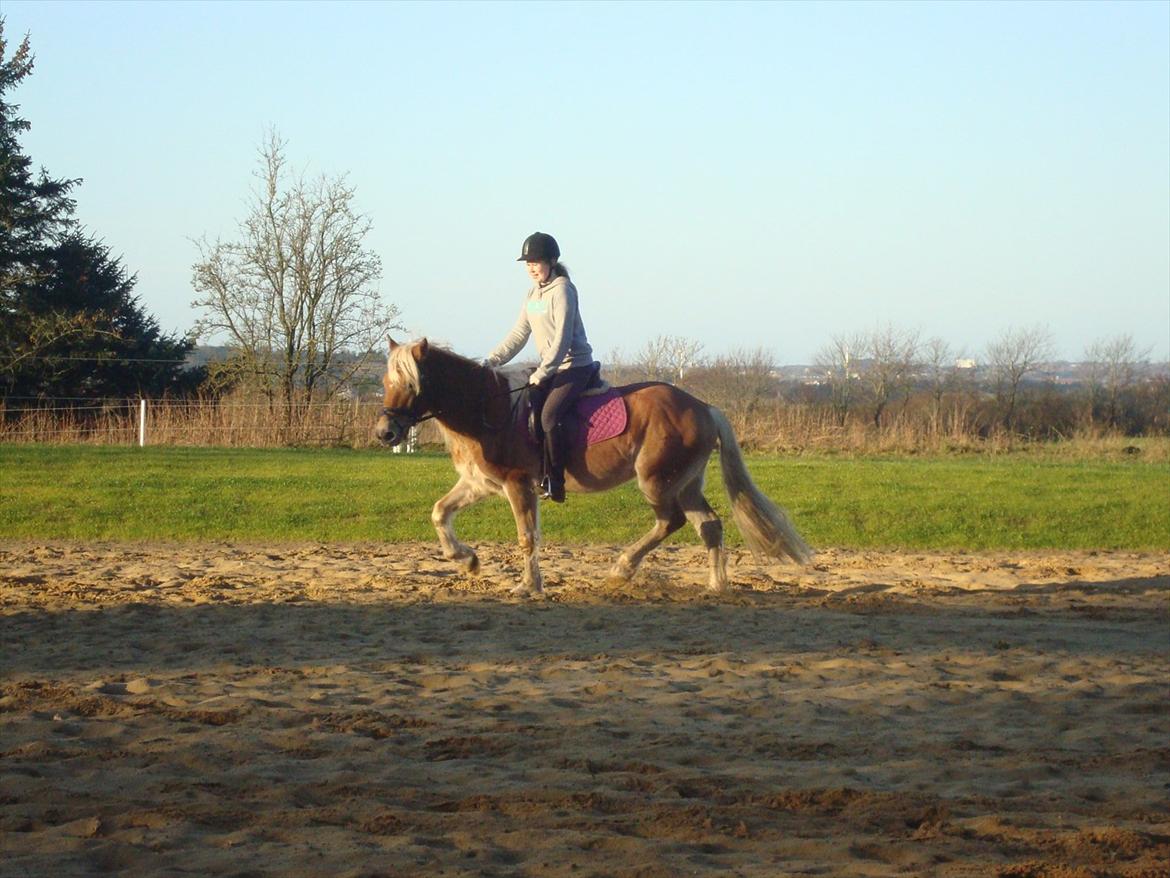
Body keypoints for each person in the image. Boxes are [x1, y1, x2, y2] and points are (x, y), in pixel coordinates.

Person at [484, 232, 597, 503]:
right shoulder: (533, 294)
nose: (531, 268)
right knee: (526, 408)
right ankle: (536, 468)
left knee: (549, 416)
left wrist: (542, 373)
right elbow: (519, 334)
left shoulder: (563, 290)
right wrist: (490, 361)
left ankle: (555, 481)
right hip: (551, 367)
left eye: (536, 262)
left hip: (574, 367)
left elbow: (562, 339)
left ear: (552, 261)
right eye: (528, 263)